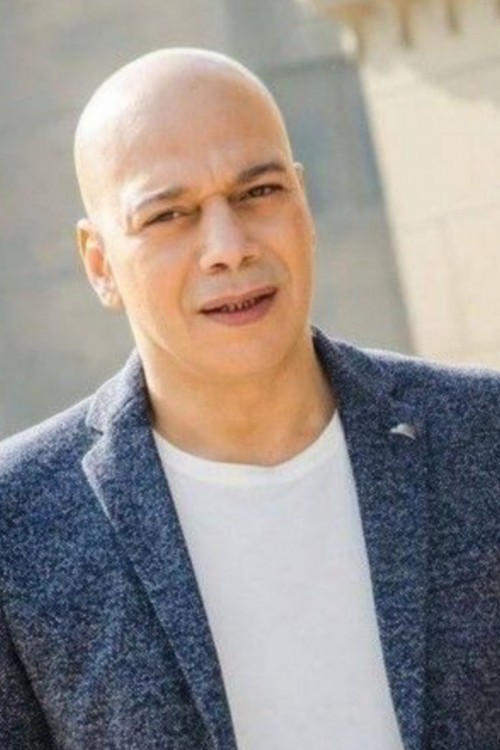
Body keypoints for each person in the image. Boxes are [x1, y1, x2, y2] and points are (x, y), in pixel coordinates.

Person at [1, 48, 500, 750]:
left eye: (258, 192)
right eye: (169, 214)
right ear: (100, 263)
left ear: (303, 202)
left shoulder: (483, 438)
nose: (228, 248)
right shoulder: (17, 529)